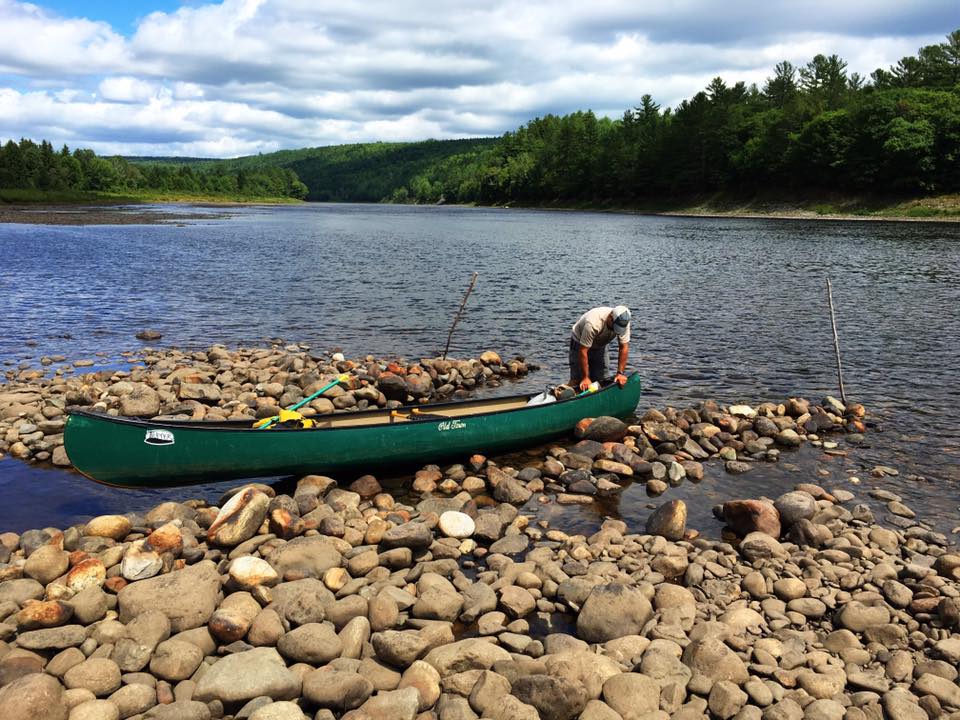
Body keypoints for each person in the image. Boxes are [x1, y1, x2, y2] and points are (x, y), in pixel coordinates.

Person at [568, 305, 631, 391]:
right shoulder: (593, 323)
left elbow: (623, 347)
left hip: (600, 345)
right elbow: (583, 351)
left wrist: (620, 373)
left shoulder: (623, 323)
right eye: (614, 326)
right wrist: (585, 377)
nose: (615, 330)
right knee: (578, 381)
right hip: (580, 343)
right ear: (610, 317)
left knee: (602, 380)